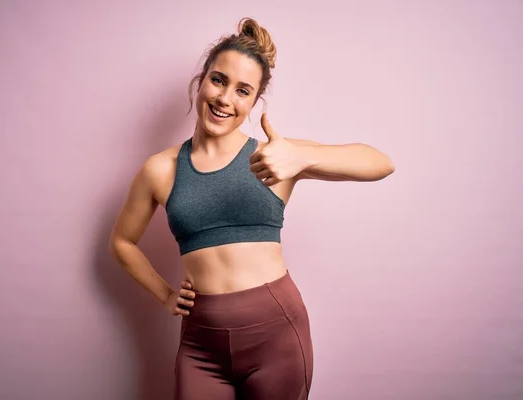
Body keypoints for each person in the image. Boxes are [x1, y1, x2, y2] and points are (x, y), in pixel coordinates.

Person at [109, 17, 394, 400]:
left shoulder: (275, 157)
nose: (225, 99)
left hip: (277, 339)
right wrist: (164, 295)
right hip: (200, 346)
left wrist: (302, 156)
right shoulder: (160, 169)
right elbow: (123, 241)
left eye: (243, 91)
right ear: (201, 80)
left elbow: (380, 163)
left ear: (254, 101)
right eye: (218, 80)